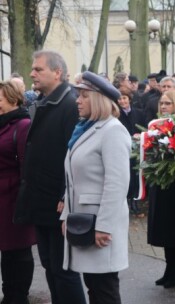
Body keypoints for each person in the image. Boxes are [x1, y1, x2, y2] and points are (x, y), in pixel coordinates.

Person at [14, 50, 86, 304]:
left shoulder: (69, 104)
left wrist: (65, 196)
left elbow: (74, 156)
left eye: (38, 69)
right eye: (32, 69)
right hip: (42, 201)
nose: (32, 73)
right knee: (50, 267)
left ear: (57, 72)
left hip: (57, 203)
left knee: (64, 270)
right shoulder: (44, 102)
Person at [59, 71, 130, 304]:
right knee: (94, 287)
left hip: (99, 225)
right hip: (83, 222)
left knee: (104, 290)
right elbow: (73, 181)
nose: (77, 101)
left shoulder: (113, 130)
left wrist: (104, 226)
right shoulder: (87, 128)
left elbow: (117, 184)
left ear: (98, 98)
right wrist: (66, 216)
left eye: (83, 96)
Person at [146, 89, 175, 289]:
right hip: (161, 184)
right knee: (165, 229)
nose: (163, 107)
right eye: (162, 104)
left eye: (168, 103)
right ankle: (171, 270)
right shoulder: (156, 126)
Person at [0, 81, 36, 304]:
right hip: (1, 199)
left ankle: (19, 296)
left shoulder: (22, 125)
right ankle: (8, 293)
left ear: (13, 100)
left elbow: (27, 166)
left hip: (15, 197)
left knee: (19, 250)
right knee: (6, 249)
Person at [117, 86, 146, 216]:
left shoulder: (139, 112)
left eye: (124, 98)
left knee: (136, 175)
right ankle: (127, 200)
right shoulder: (116, 115)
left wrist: (139, 135)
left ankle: (135, 200)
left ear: (129, 99)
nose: (122, 101)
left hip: (137, 149)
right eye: (120, 99)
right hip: (123, 149)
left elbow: (143, 127)